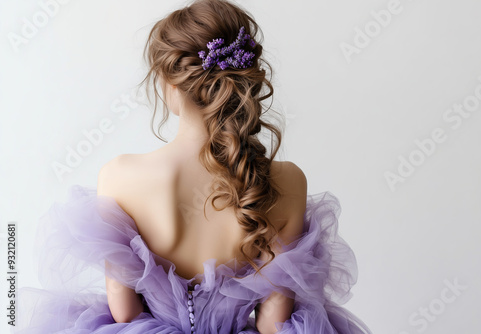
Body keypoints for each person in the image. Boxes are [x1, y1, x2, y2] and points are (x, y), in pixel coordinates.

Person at [13, 0, 373, 333]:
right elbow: (273, 322)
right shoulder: (288, 181)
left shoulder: (119, 176)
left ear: (169, 83)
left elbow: (124, 315)